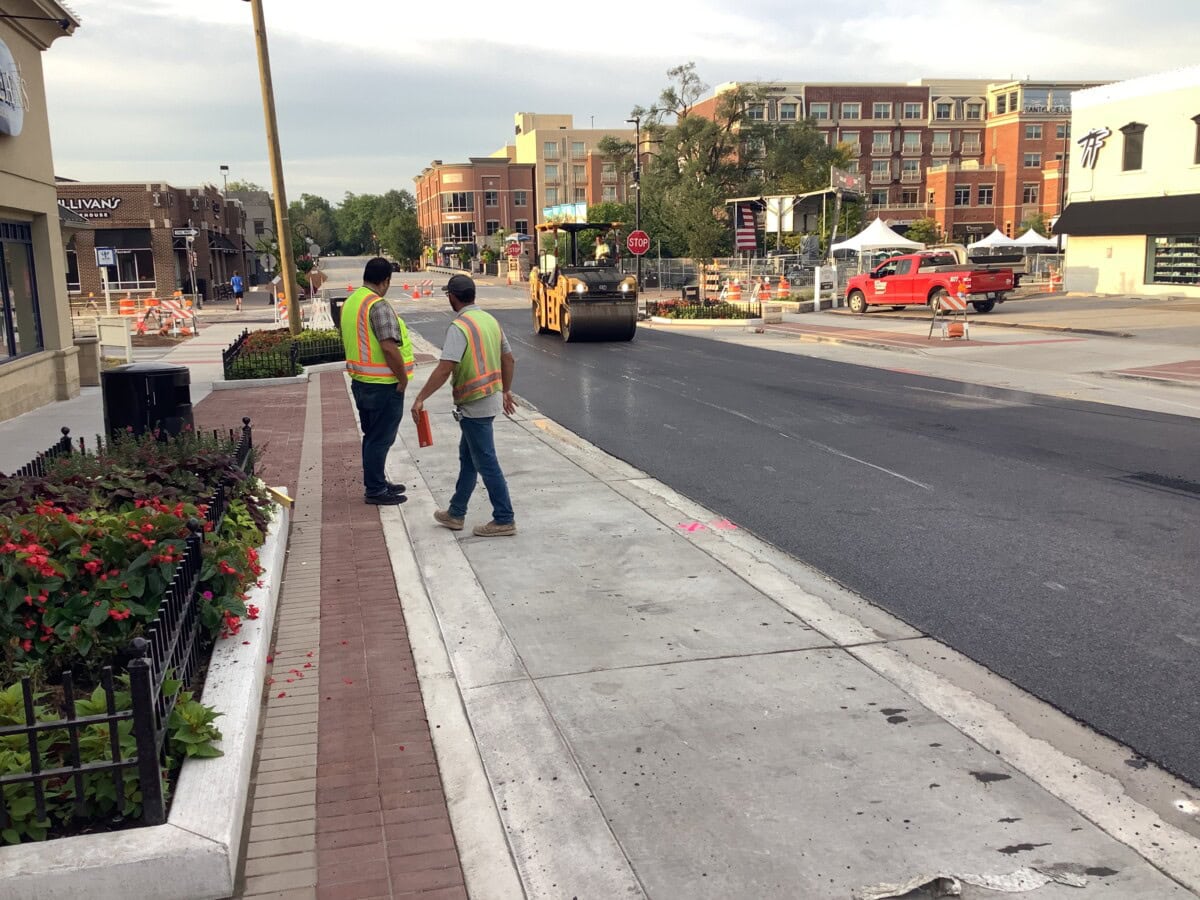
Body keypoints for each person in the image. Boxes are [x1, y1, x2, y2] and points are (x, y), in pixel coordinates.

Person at [410, 274, 517, 537]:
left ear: (452, 297)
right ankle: (456, 513)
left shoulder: (460, 327)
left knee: (486, 461)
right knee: (469, 458)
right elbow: (509, 359)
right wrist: (506, 389)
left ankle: (504, 518)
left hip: (474, 403)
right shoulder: (490, 320)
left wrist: (420, 397)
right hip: (490, 397)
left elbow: (445, 367)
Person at [340, 257, 415, 506]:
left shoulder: (352, 302)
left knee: (372, 436)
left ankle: (378, 481)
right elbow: (389, 348)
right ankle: (375, 489)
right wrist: (402, 379)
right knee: (380, 438)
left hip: (361, 382)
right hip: (382, 385)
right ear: (385, 281)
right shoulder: (378, 305)